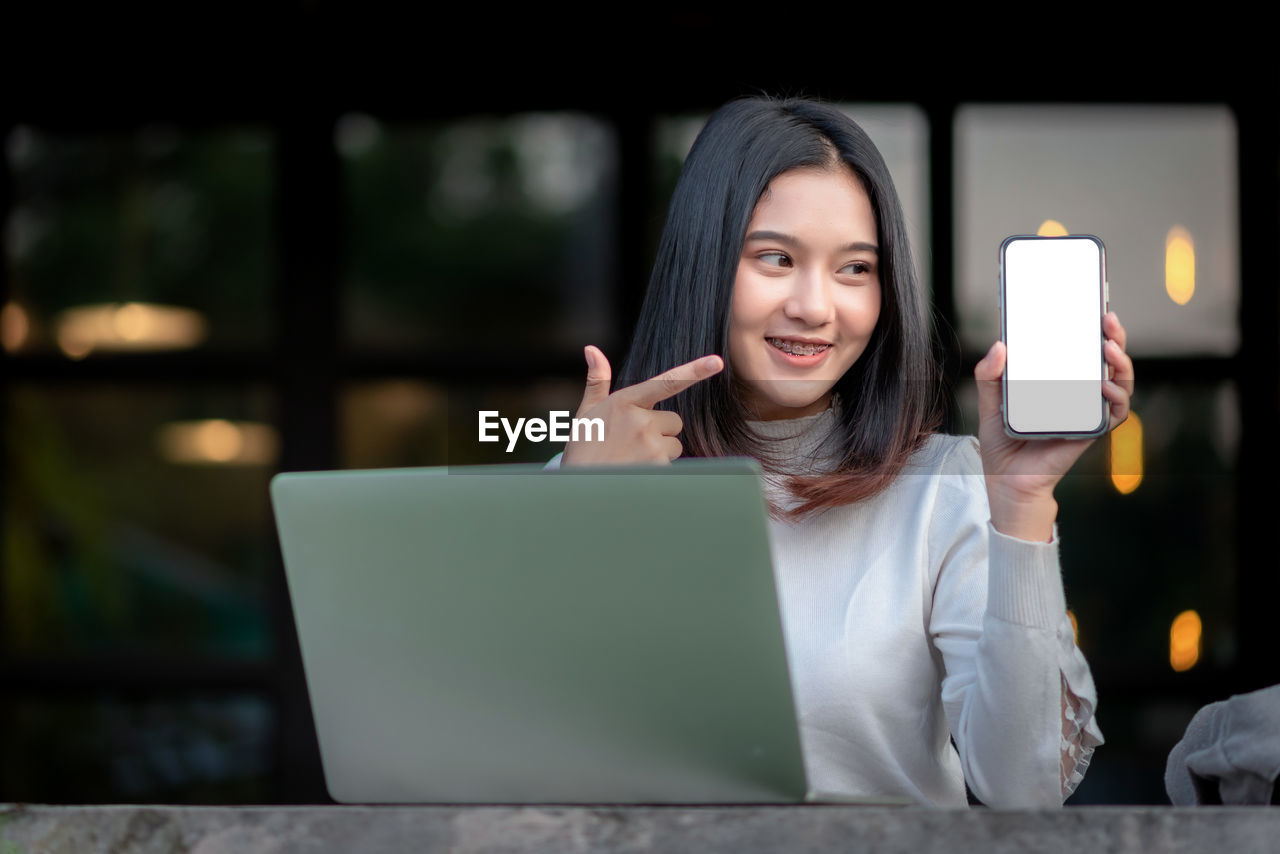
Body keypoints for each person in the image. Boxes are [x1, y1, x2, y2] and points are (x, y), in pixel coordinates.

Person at [546, 96, 1133, 807]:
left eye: (855, 269)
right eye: (775, 258)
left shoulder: (942, 484)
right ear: (703, 263)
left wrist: (1022, 500)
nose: (816, 307)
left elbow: (1023, 788)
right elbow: (513, 740)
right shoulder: (592, 474)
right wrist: (574, 520)